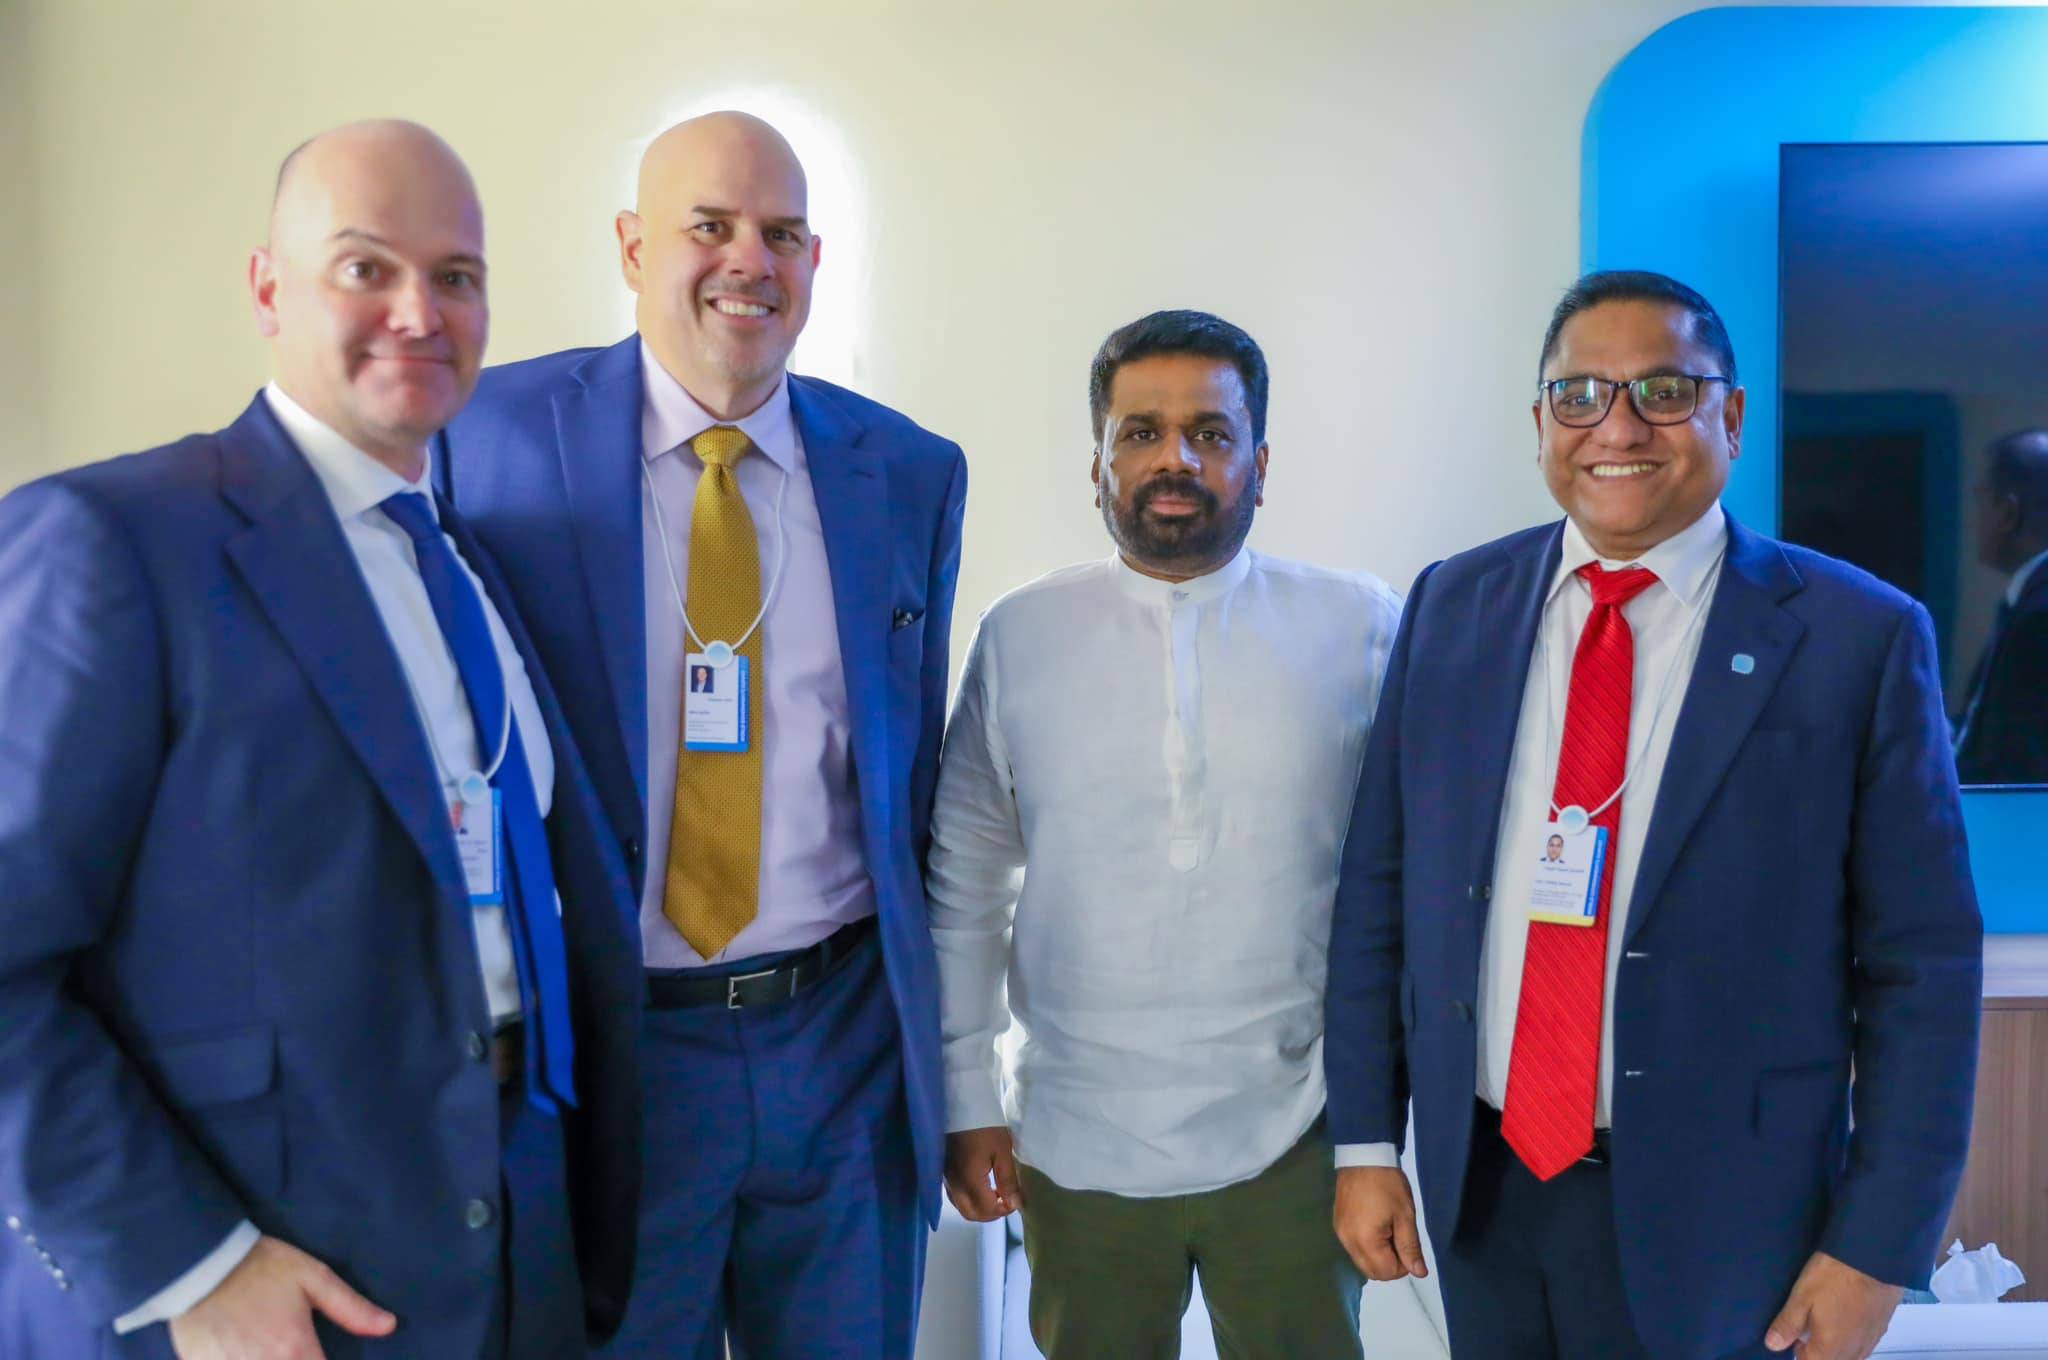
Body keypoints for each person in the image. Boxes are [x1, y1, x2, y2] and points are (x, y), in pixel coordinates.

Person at [0, 120, 642, 1359]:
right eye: (365, 267)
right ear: (267, 290)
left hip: (521, 1237)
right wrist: (188, 1263)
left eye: (456, 275)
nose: (419, 311)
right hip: (272, 1274)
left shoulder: (469, 566)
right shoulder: (115, 541)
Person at [1325, 270, 1982, 1360]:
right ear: (1541, 421)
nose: (1617, 427)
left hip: (1730, 1212)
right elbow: (1378, 893)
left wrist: (1875, 1247)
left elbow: (1923, 968)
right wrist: (1363, 1141)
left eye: (1664, 391)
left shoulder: (1855, 635)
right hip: (1482, 1186)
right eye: (1579, 394)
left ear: (1731, 416)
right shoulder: (1451, 603)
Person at [437, 111, 966, 1357]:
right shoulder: (486, 439)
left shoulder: (908, 469)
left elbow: (911, 780)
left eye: (781, 233)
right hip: (616, 1047)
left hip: (841, 1042)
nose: (748, 261)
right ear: (633, 247)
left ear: (815, 260)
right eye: (709, 226)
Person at [930, 310, 1400, 1359]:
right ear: (1096, 464)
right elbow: (965, 884)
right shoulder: (1021, 635)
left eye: (1210, 433)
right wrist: (966, 1096)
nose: (1173, 458)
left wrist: (1379, 1129)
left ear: (1260, 465)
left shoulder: (1360, 627)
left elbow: (1408, 883)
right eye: (1140, 432)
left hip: (1294, 1134)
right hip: (1075, 1138)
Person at [1955, 429, 2048, 784]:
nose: (1974, 519)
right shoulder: (2028, 601)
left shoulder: (2040, 615)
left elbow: (2019, 762)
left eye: (1981, 500)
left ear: (2008, 512)